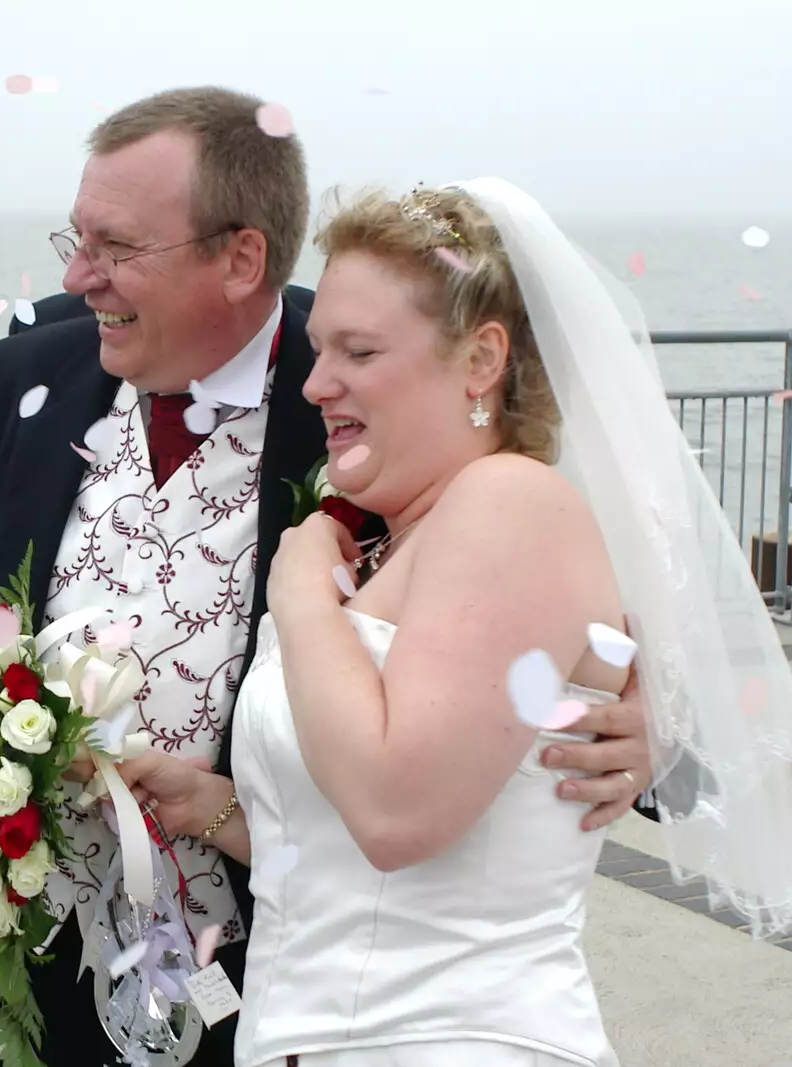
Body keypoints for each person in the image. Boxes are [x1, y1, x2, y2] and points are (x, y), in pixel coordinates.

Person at [0, 87, 655, 1067]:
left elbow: (549, 622)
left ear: (240, 257)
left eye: (117, 248)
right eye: (72, 239)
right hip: (21, 965)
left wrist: (640, 713)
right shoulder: (20, 382)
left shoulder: (372, 401)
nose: (81, 277)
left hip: (253, 993)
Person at [120, 180, 792, 1066]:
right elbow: (346, 847)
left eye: (358, 350)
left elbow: (398, 813)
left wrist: (299, 595)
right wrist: (212, 809)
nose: (317, 383)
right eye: (319, 349)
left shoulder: (511, 505)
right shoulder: (388, 550)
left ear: (481, 361)